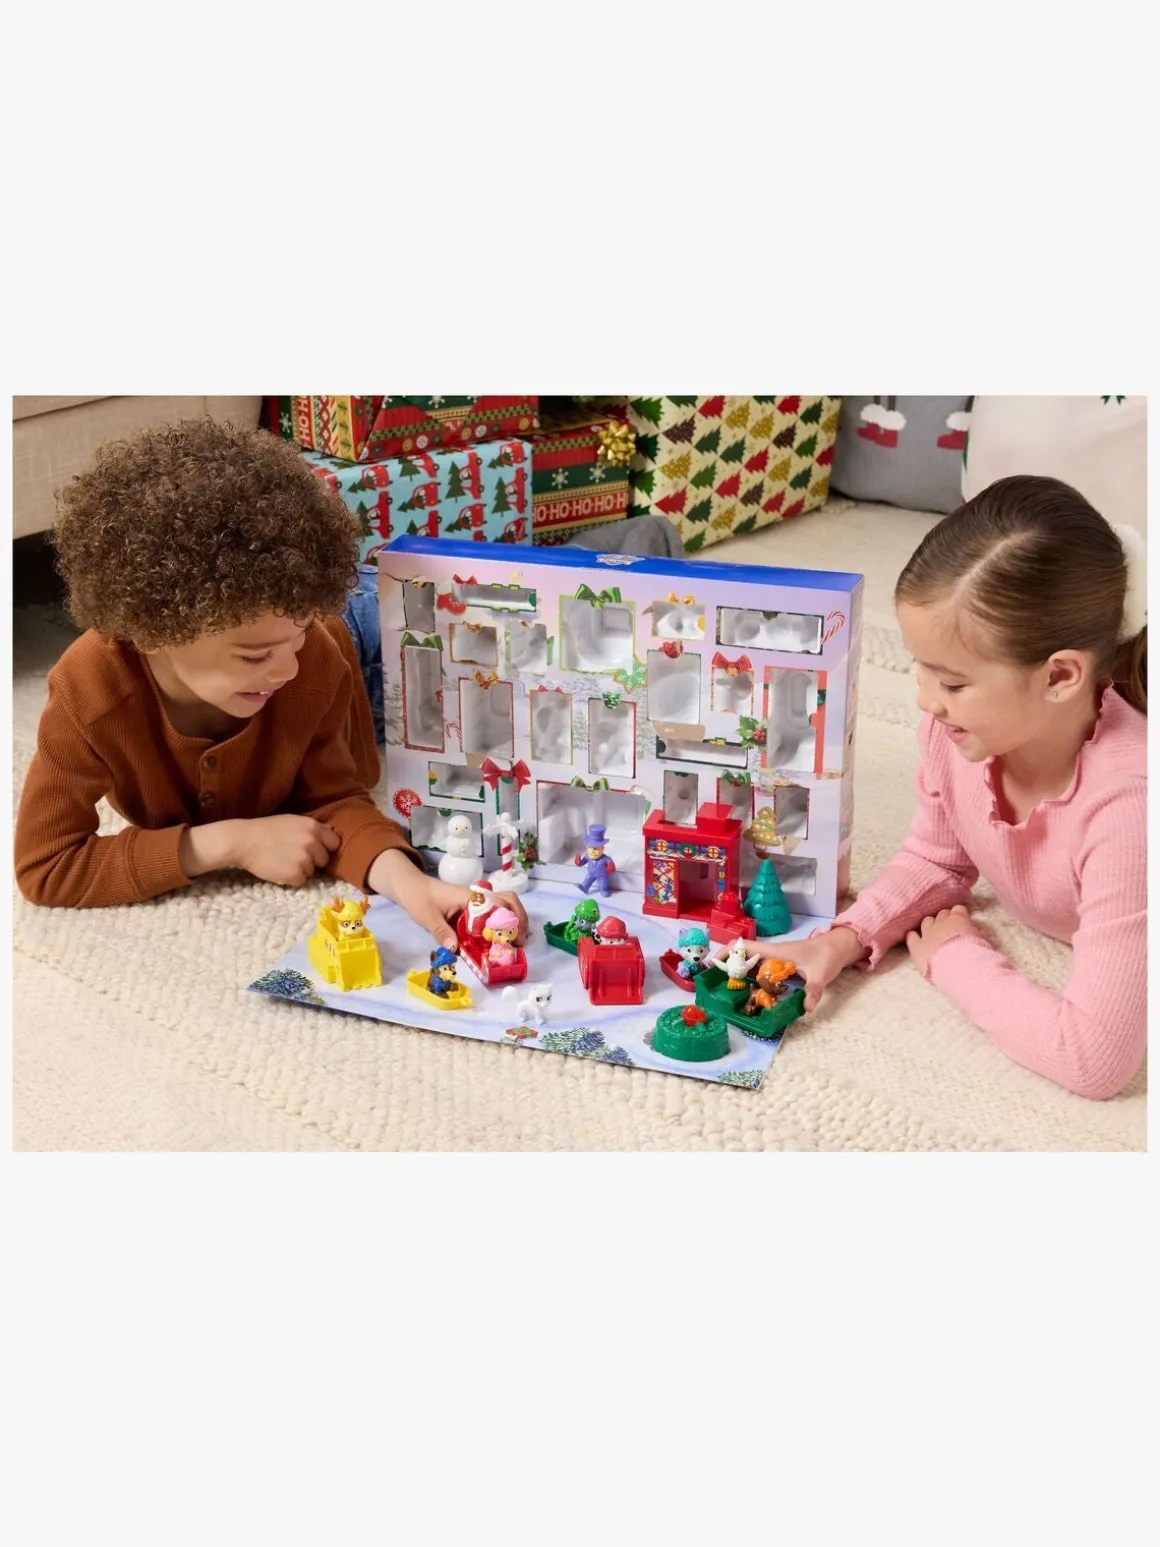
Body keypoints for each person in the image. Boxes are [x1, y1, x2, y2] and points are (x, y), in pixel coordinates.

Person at [13, 418, 527, 951]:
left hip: (358, 635)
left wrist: (410, 882)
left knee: (514, 643)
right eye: (254, 655)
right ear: (153, 633)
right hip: (335, 635)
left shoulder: (310, 659)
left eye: (295, 640)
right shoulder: (89, 694)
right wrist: (228, 843)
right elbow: (46, 866)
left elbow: (334, 801)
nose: (287, 670)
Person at [755, 475, 1146, 1100]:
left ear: (1060, 677)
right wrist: (840, 940)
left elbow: (1093, 1060)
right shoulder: (959, 735)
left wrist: (956, 955)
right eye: (921, 670)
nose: (925, 700)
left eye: (954, 683)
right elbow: (938, 861)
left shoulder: (1130, 807)